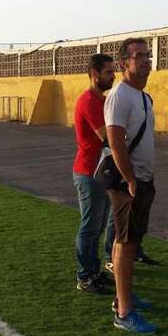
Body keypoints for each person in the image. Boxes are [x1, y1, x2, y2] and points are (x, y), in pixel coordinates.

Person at [104, 37, 157, 334]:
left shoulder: (144, 97)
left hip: (142, 179)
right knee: (126, 244)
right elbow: (115, 142)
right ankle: (124, 313)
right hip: (129, 182)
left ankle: (122, 297)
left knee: (127, 240)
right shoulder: (120, 95)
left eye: (148, 55)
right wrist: (131, 180)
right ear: (124, 63)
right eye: (139, 56)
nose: (146, 61)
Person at [73, 53, 116, 294]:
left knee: (97, 227)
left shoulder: (102, 100)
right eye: (108, 72)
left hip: (101, 171)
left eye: (113, 71)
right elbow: (107, 136)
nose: (113, 76)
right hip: (89, 172)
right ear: (94, 74)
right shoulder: (89, 101)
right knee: (90, 227)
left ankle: (93, 271)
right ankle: (85, 277)